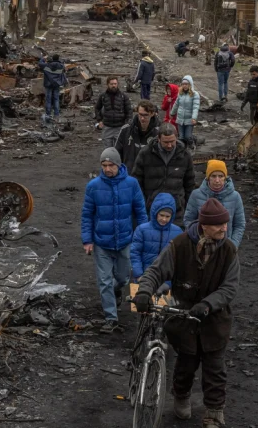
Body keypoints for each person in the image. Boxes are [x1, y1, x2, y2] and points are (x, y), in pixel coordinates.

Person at [134, 198, 239, 428]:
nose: (224, 228)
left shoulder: (229, 250)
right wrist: (144, 291)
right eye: (219, 225)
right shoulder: (180, 245)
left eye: (226, 223)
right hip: (184, 318)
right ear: (204, 225)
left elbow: (230, 287)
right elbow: (156, 271)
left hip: (215, 321)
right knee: (186, 363)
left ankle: (212, 419)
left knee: (215, 371)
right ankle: (181, 395)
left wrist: (208, 304)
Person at [81, 148, 148, 326]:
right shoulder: (93, 187)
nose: (108, 169)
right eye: (104, 165)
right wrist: (87, 240)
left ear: (119, 165)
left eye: (111, 165)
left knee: (123, 279)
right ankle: (111, 318)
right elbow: (87, 214)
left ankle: (116, 291)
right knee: (104, 281)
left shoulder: (132, 184)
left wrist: (142, 237)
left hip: (125, 240)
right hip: (102, 241)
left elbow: (140, 212)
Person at [132, 124, 196, 214]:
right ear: (158, 139)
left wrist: (188, 208)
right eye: (165, 142)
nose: (169, 145)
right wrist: (143, 204)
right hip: (151, 209)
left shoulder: (185, 155)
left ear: (176, 138)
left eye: (172, 141)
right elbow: (137, 181)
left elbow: (190, 184)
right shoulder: (145, 154)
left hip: (177, 210)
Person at [184, 160, 246, 247]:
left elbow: (239, 224)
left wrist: (233, 245)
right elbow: (189, 221)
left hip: (226, 246)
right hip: (201, 246)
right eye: (213, 176)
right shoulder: (196, 195)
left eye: (220, 176)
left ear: (225, 177)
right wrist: (196, 240)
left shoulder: (235, 197)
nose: (217, 180)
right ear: (208, 177)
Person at [130, 192, 183, 282]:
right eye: (161, 215)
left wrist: (171, 281)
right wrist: (139, 275)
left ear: (172, 216)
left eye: (167, 216)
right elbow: (135, 253)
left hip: (167, 280)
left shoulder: (178, 232)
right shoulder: (142, 230)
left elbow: (180, 258)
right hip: (144, 277)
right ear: (155, 213)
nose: (164, 219)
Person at [115, 100, 160, 170]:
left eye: (145, 115)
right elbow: (117, 153)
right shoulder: (126, 130)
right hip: (129, 173)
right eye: (140, 114)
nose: (142, 118)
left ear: (152, 114)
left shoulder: (158, 133)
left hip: (149, 175)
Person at [95, 76, 131, 148]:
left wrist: (127, 124)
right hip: (107, 128)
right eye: (111, 84)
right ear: (108, 84)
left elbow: (129, 111)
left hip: (120, 128)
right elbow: (97, 108)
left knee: (119, 150)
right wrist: (99, 120)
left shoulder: (123, 96)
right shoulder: (103, 96)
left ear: (117, 84)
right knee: (108, 151)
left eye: (115, 84)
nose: (113, 85)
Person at [169, 76, 201, 151]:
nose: (184, 85)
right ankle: (183, 149)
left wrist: (194, 118)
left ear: (190, 84)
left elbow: (195, 107)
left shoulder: (195, 94)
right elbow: (176, 104)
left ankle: (192, 143)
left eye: (186, 84)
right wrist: (172, 113)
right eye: (183, 84)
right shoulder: (180, 93)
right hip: (180, 119)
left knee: (188, 136)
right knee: (181, 137)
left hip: (189, 119)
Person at [38, 53, 67, 122]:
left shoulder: (47, 65)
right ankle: (56, 114)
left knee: (48, 99)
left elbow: (40, 63)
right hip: (56, 84)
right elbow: (63, 67)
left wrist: (43, 58)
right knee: (56, 99)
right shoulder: (61, 66)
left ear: (52, 59)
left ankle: (48, 114)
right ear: (58, 59)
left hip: (48, 84)